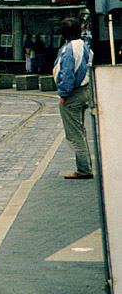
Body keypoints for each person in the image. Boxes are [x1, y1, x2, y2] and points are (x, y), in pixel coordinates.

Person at [53, 17, 94, 180]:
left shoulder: (68, 49)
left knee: (75, 134)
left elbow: (67, 73)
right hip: (86, 90)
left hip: (73, 94)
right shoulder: (85, 46)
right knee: (81, 130)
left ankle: (83, 169)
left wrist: (63, 94)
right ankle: (85, 166)